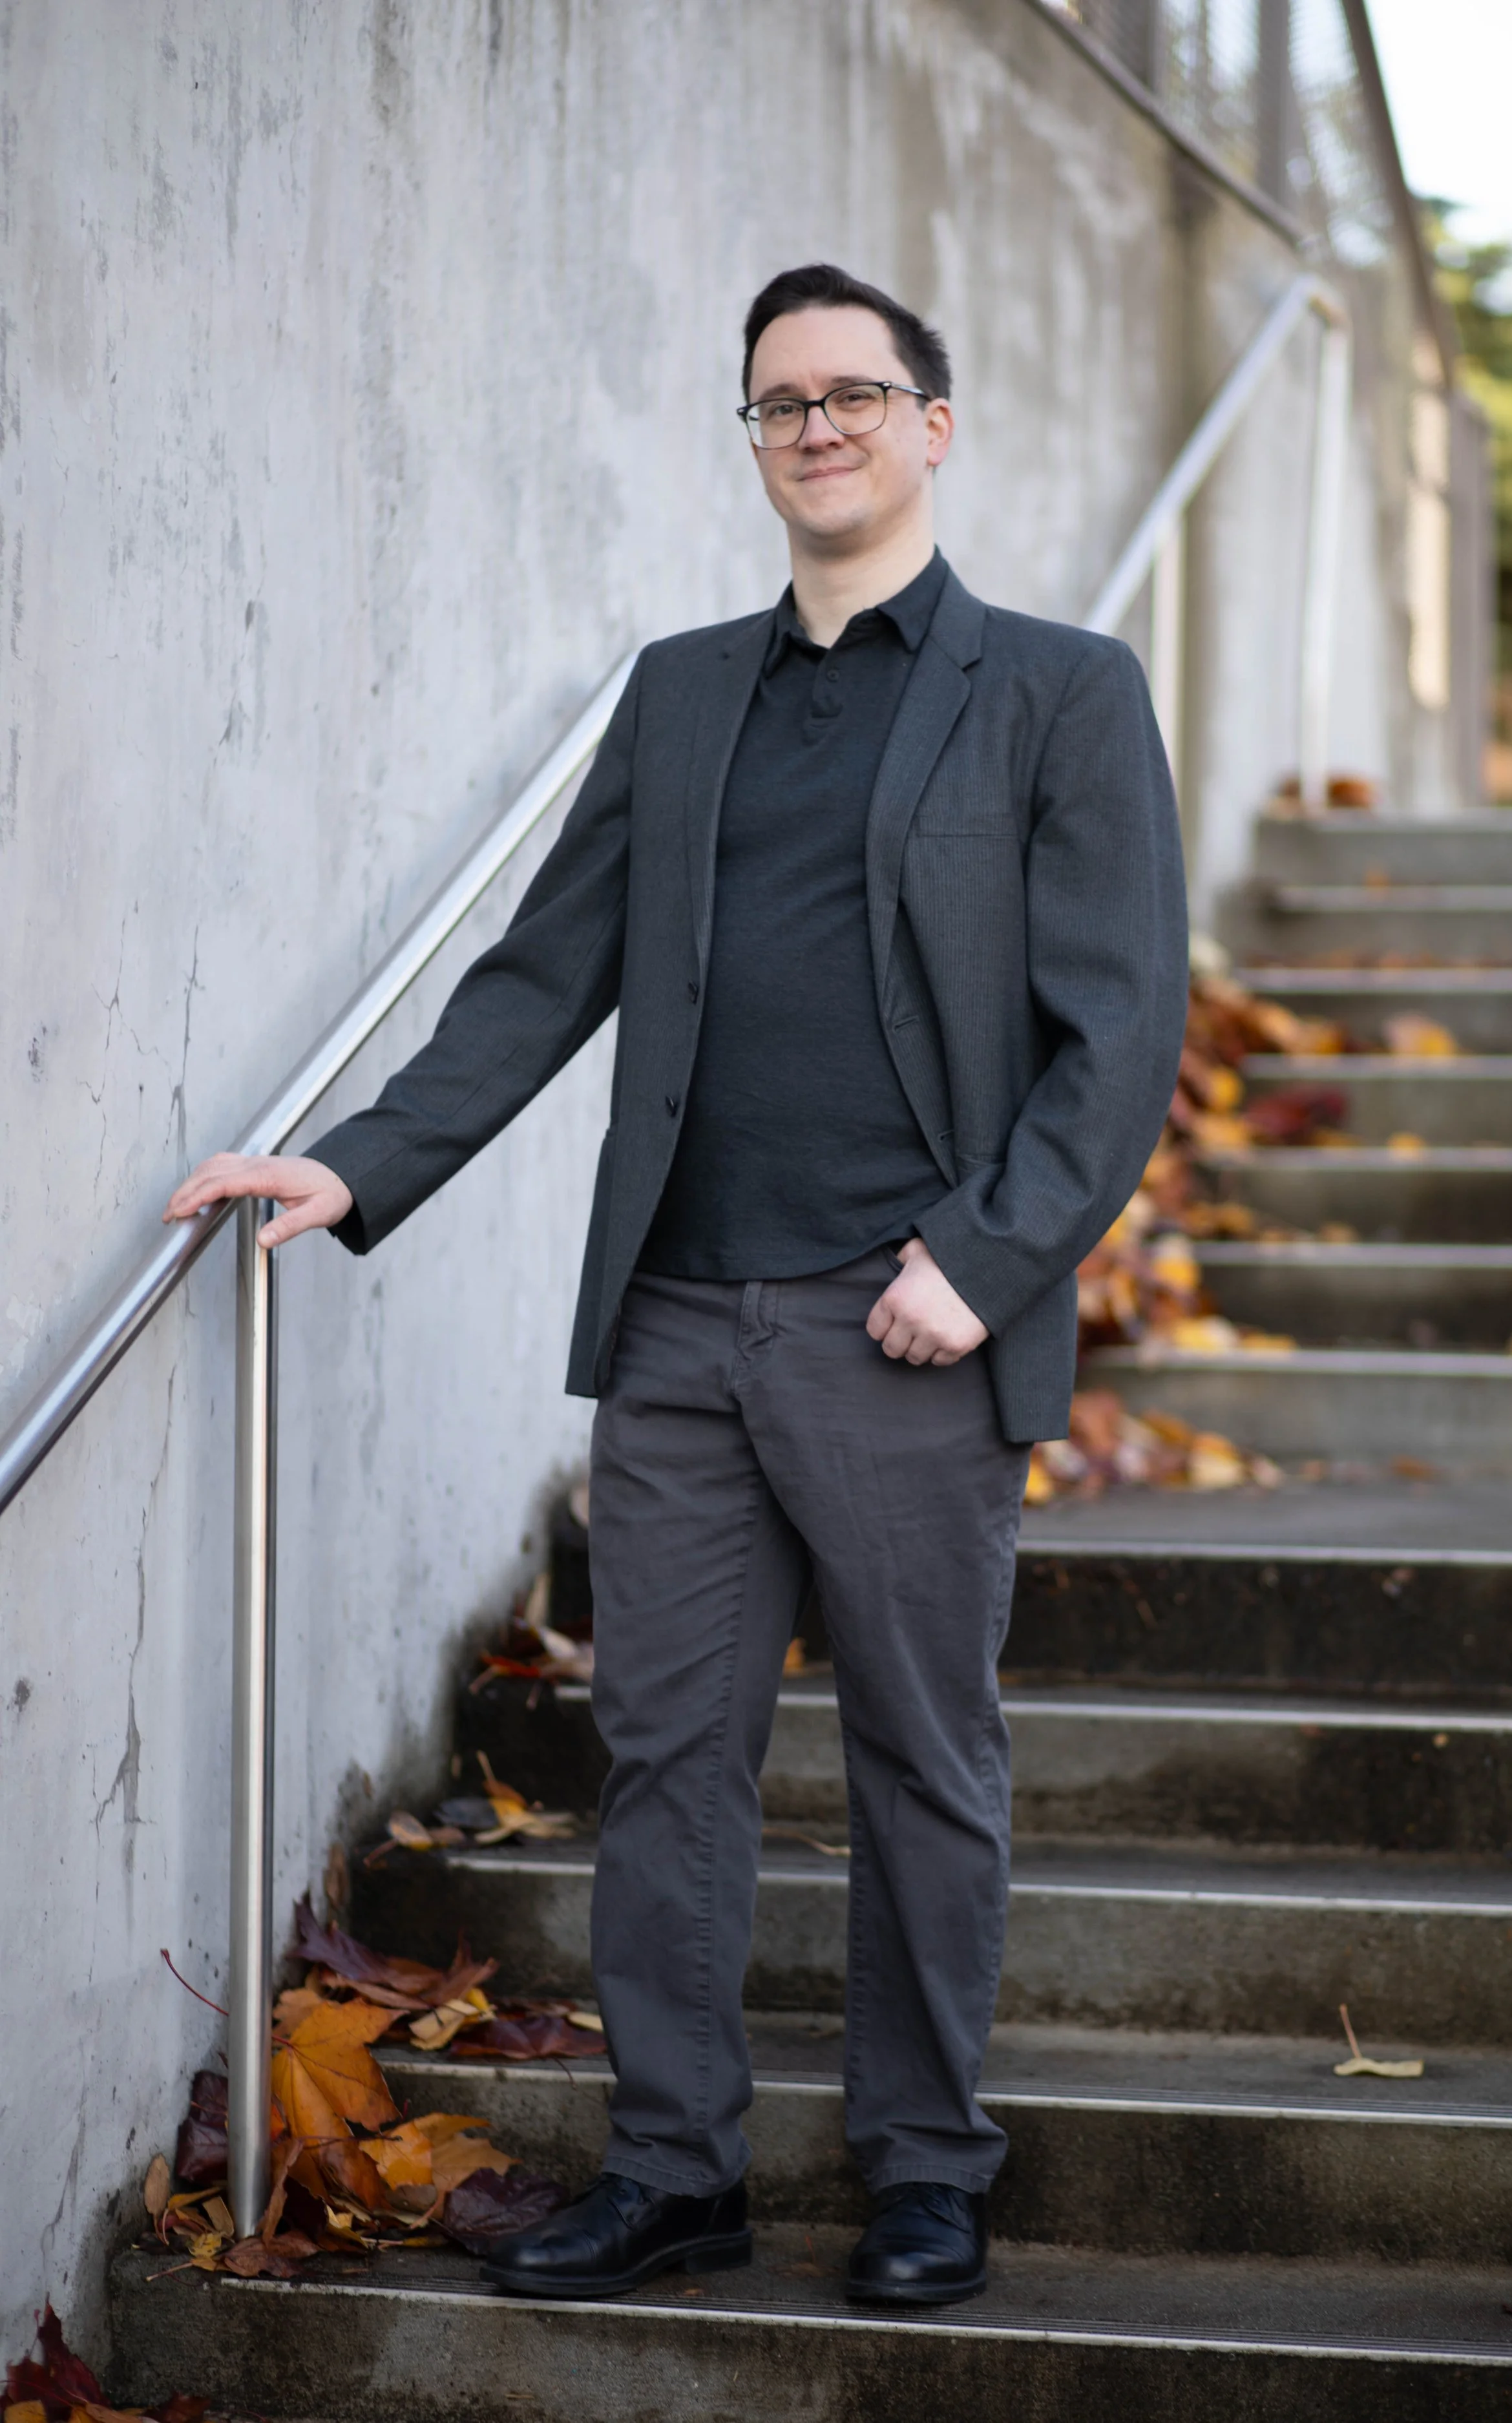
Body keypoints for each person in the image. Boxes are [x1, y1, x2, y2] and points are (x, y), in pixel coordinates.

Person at [164, 261, 1187, 2307]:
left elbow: (1123, 1022)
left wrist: (979, 1267)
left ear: (932, 425)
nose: (816, 426)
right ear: (752, 439)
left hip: (902, 1324)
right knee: (665, 1764)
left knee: (918, 1761)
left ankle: (919, 2172)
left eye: (854, 393)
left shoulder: (1056, 691)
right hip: (681, 1324)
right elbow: (545, 974)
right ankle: (673, 2164)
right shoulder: (683, 686)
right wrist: (361, 1161)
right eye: (777, 402)